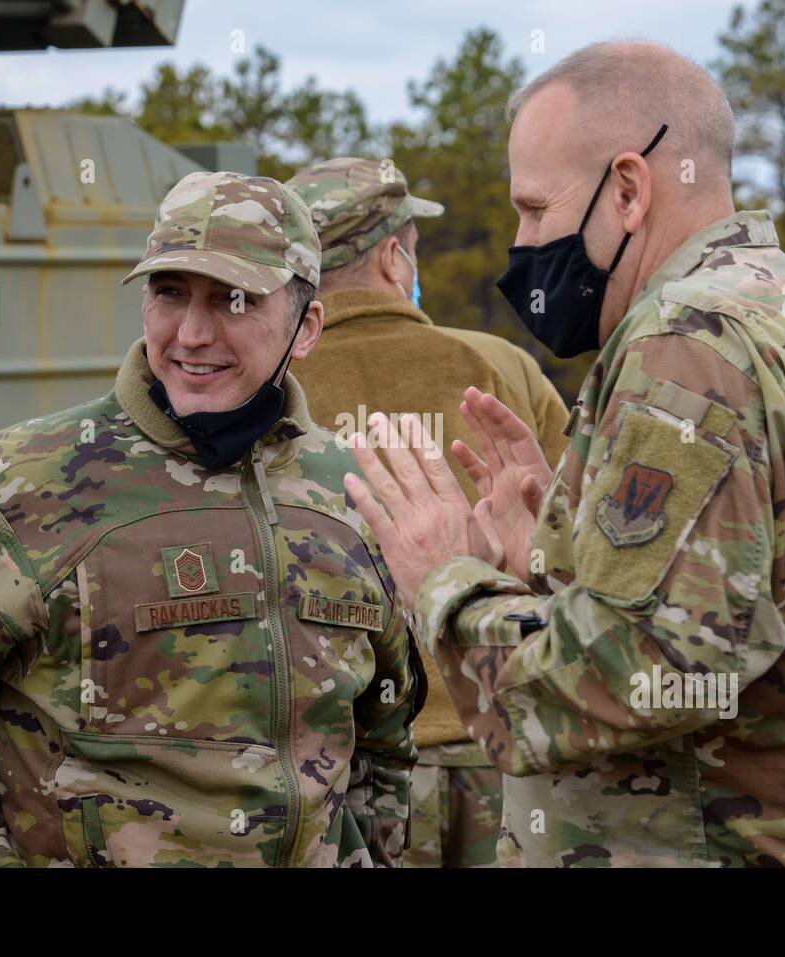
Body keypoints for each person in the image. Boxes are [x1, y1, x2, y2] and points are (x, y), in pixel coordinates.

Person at [344, 41, 785, 867]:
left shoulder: (686, 341)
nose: (521, 240)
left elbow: (645, 670)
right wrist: (558, 555)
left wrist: (446, 581)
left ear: (630, 189)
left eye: (534, 209)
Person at [0, 170, 424, 868]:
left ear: (305, 327)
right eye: (169, 293)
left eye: (233, 299)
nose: (191, 333)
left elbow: (385, 737)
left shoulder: (350, 490)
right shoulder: (27, 481)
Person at [286, 156, 569, 867]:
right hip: (504, 746)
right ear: (392, 256)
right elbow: (578, 543)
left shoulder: (265, 382)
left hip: (344, 766)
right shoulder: (501, 366)